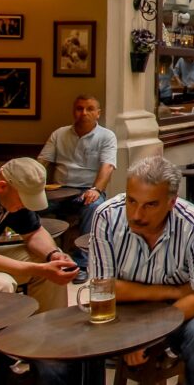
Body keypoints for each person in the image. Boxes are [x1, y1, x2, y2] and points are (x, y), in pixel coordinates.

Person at [88, 156, 194, 384]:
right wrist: (172, 291)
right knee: (79, 340)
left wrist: (149, 331)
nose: (136, 215)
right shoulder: (106, 216)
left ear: (172, 202)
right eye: (131, 201)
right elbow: (103, 291)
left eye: (150, 205)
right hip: (126, 312)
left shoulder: (193, 225)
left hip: (182, 311)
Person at [38, 95, 117, 283]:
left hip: (86, 191)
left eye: (90, 109)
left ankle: (80, 264)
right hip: (58, 191)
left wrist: (96, 189)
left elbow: (108, 166)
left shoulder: (106, 136)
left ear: (98, 113)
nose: (84, 113)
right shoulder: (59, 134)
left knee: (95, 208)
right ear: (74, 111)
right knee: (30, 207)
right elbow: (42, 162)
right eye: (79, 109)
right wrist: (33, 185)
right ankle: (46, 257)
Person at [0, 158, 77, 311]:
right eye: (23, 200)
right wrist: (38, 269)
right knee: (2, 283)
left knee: (52, 266)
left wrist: (52, 255)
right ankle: (0, 335)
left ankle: (48, 330)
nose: (25, 205)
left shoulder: (10, 196)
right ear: (2, 186)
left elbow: (34, 232)